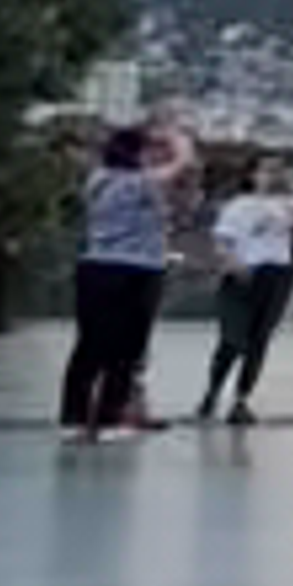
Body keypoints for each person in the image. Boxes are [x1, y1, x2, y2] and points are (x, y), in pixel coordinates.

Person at [57, 124, 177, 442]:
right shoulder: (143, 183)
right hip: (138, 269)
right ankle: (111, 419)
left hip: (95, 266)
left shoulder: (97, 180)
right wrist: (180, 139)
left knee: (89, 345)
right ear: (140, 153)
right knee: (125, 349)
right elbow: (180, 167)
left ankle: (73, 418)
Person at [199, 169, 293, 428]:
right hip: (244, 273)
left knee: (259, 340)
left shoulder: (286, 205)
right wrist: (231, 262)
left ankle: (241, 400)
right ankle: (212, 392)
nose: (269, 176)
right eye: (264, 170)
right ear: (252, 175)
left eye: (273, 170)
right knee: (232, 339)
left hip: (275, 274)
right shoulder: (237, 206)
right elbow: (222, 240)